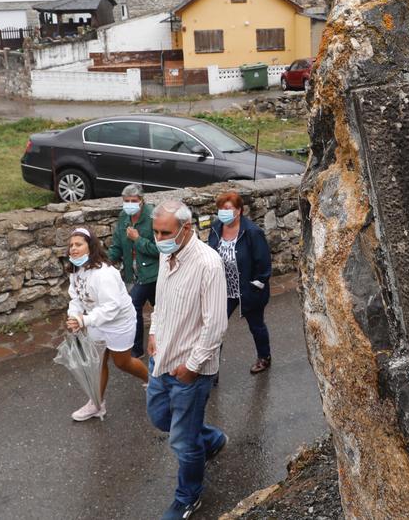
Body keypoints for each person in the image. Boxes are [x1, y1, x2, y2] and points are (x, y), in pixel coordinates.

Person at [146, 200, 228, 520]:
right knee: (159, 418)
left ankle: (188, 496)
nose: (159, 238)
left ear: (187, 228)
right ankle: (210, 438)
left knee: (182, 442)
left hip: (189, 372)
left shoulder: (208, 264)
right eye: (155, 232)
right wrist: (153, 332)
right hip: (161, 359)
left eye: (165, 232)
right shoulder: (169, 255)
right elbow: (162, 303)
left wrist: (192, 367)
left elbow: (216, 325)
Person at [64, 227, 148, 422]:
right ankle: (96, 404)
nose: (73, 249)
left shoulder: (105, 274)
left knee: (123, 363)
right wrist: (74, 315)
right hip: (96, 320)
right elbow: (76, 297)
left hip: (118, 321)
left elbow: (112, 306)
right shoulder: (76, 270)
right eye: (71, 245)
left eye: (79, 244)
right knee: (98, 362)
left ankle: (152, 382)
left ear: (90, 247)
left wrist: (84, 320)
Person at [207, 191, 273, 374]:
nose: (223, 212)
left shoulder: (252, 232)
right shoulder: (216, 227)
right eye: (220, 208)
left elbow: (264, 263)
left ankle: (264, 357)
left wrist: (257, 284)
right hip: (222, 289)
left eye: (227, 208)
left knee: (256, 325)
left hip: (247, 290)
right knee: (215, 329)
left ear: (239, 211)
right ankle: (211, 368)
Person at [107, 184, 159, 358]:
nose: (129, 204)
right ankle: (151, 343)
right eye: (126, 201)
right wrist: (106, 261)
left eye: (133, 201)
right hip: (132, 273)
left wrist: (138, 240)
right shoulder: (123, 217)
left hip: (152, 273)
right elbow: (117, 245)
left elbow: (160, 249)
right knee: (158, 308)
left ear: (142, 201)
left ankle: (136, 351)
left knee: (133, 305)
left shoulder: (153, 217)